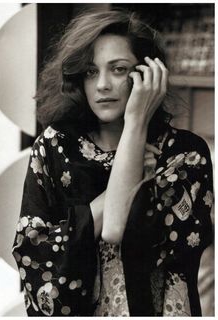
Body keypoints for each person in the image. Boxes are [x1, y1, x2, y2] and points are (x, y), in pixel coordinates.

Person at [12, 9, 213, 316]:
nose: (103, 85)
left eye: (118, 70)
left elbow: (116, 230)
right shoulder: (55, 146)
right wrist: (119, 189)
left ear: (148, 73)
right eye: (91, 72)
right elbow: (34, 250)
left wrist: (135, 123)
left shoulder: (183, 154)